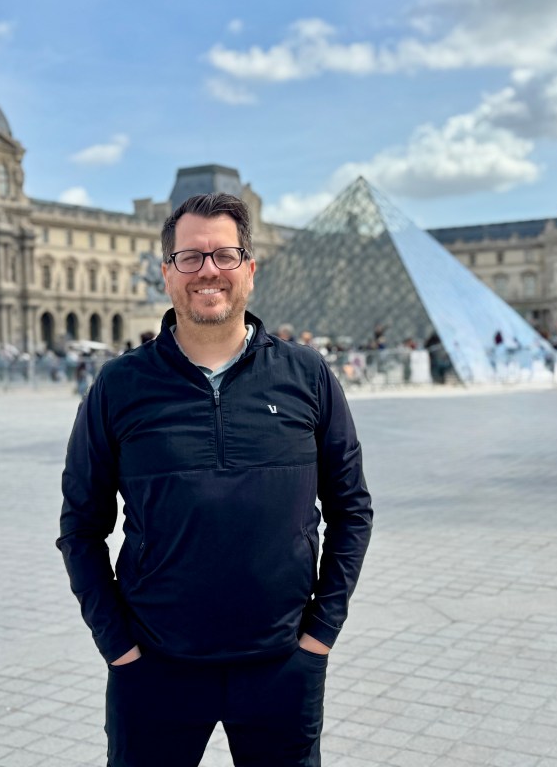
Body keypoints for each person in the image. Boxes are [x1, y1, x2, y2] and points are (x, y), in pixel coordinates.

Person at [57, 192, 373, 767]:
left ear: (250, 269)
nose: (208, 270)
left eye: (224, 255)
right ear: (166, 273)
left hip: (282, 667)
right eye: (190, 257)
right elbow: (80, 528)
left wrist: (319, 636)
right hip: (154, 669)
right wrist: (118, 647)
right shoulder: (118, 386)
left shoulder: (307, 375)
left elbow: (352, 510)